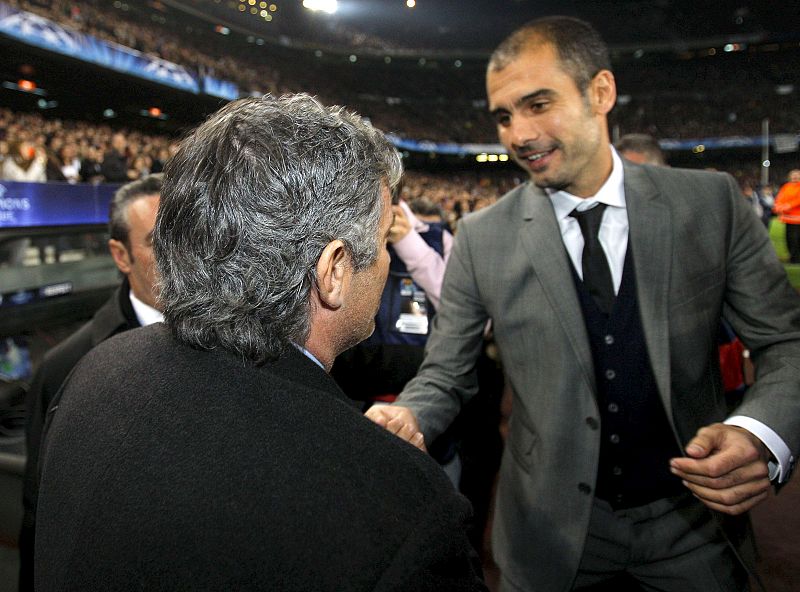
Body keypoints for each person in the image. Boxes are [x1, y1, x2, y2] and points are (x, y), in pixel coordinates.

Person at [369, 16, 800, 592]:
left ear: (601, 92)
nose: (519, 134)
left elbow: (786, 344)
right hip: (549, 535)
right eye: (503, 116)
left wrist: (758, 432)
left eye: (538, 104)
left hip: (693, 530)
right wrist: (412, 413)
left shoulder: (710, 204)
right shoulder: (481, 236)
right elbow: (447, 370)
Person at [34, 95, 485, 592]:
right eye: (381, 243)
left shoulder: (95, 372)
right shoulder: (407, 513)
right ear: (333, 271)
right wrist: (383, 473)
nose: (384, 261)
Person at [19, 173, 164, 592]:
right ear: (121, 256)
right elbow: (42, 518)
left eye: (184, 233)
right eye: (157, 241)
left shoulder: (232, 333)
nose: (179, 252)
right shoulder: (67, 367)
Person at [773, 169, 800, 263]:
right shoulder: (786, 186)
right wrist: (778, 206)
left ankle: (796, 258)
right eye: (793, 175)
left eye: (797, 175)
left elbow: (798, 200)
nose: (795, 177)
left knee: (796, 238)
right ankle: (792, 256)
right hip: (788, 218)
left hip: (798, 218)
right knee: (789, 238)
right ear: (790, 176)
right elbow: (780, 197)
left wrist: (788, 205)